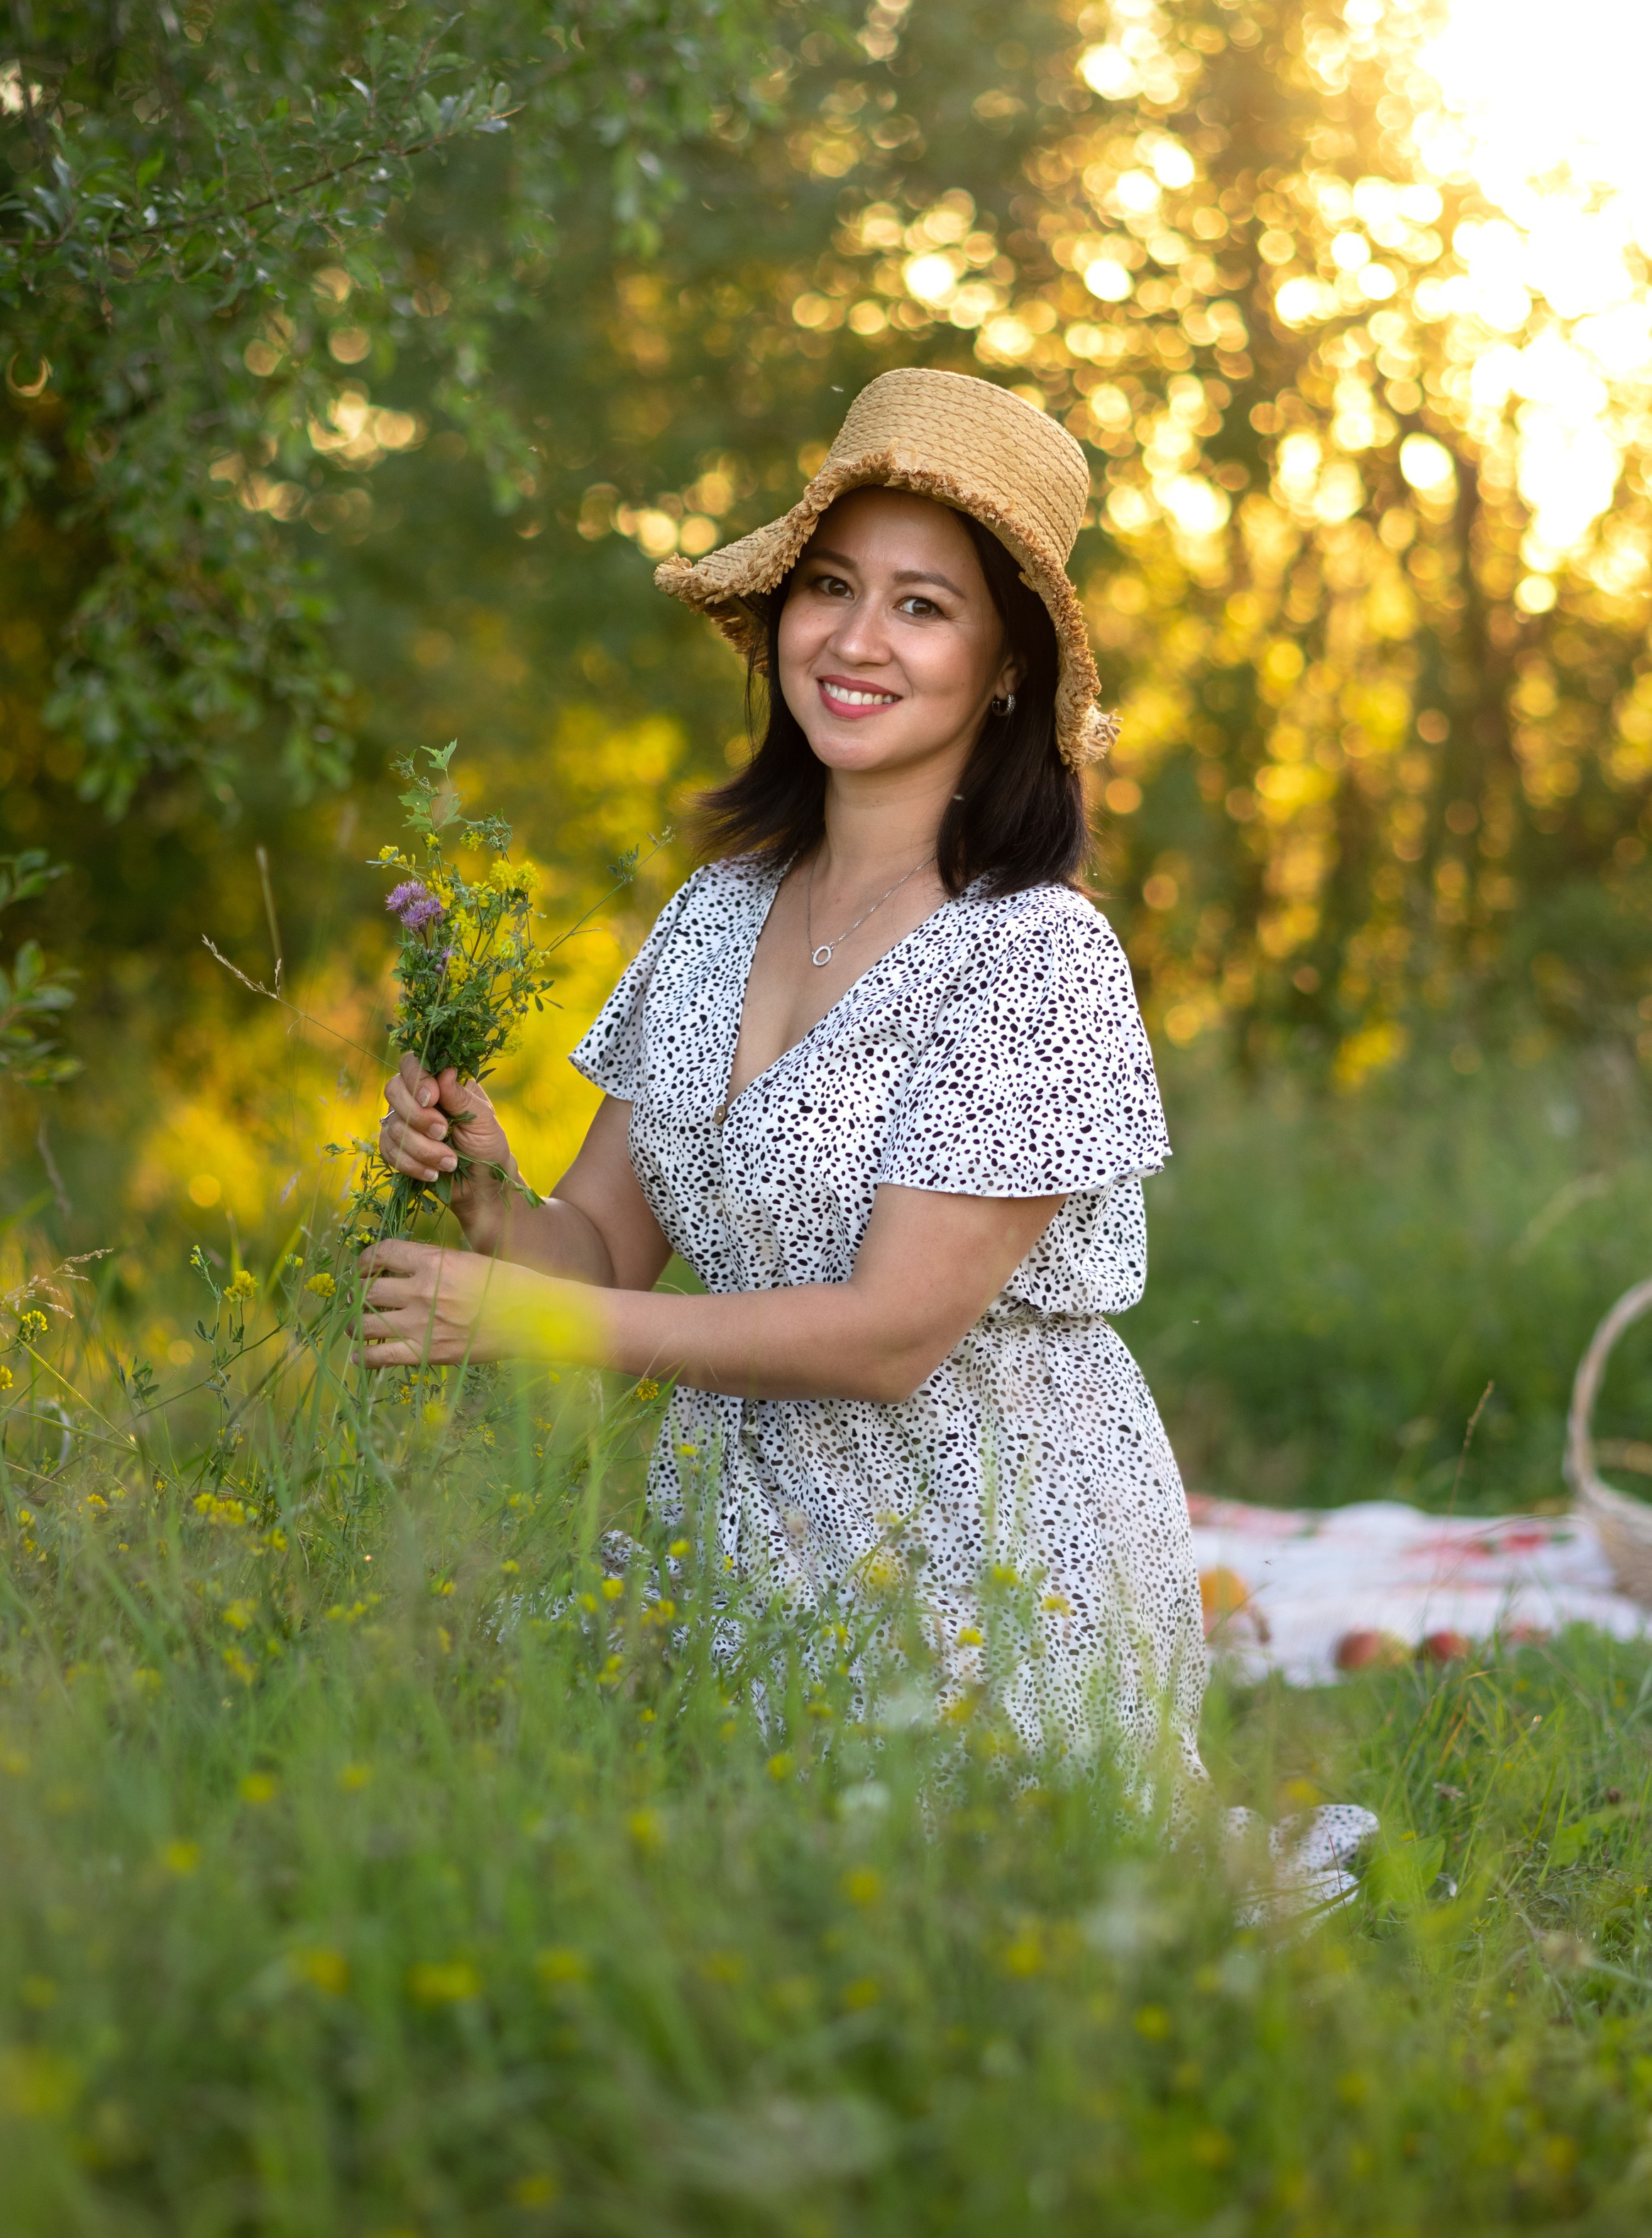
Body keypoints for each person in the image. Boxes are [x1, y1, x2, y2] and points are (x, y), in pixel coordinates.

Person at [361, 368, 1206, 1777]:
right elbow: (601, 1257)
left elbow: (889, 1336)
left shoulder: (1032, 956)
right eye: (827, 587)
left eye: (921, 604)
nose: (854, 638)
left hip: (990, 1571)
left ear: (1004, 667)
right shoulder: (717, 912)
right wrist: (489, 1193)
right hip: (745, 1546)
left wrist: (525, 1322)